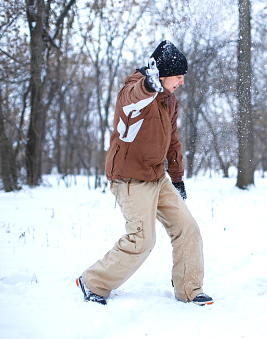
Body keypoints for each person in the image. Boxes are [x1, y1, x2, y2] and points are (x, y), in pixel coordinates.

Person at [76, 40, 213, 306]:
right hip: (130, 177)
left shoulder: (169, 101)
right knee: (142, 239)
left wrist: (177, 178)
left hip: (157, 177)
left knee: (188, 228)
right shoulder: (136, 91)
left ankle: (189, 289)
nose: (182, 82)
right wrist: (147, 86)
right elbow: (131, 99)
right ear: (161, 76)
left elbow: (172, 140)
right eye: (179, 77)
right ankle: (93, 281)